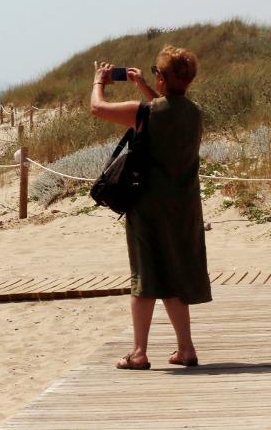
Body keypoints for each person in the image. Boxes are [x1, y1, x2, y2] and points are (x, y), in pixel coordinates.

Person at [91, 48, 209, 370]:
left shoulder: (144, 113)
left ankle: (139, 351)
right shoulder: (194, 112)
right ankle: (185, 348)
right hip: (184, 207)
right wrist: (145, 86)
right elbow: (168, 108)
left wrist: (99, 81)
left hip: (148, 206)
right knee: (173, 273)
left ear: (161, 77)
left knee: (144, 275)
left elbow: (97, 108)